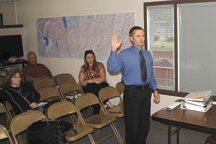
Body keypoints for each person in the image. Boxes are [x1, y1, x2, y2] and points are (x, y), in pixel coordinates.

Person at [107, 26, 160, 144]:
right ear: (131, 38)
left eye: (143, 35)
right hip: (132, 92)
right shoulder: (124, 54)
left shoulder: (147, 54)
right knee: (132, 125)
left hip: (146, 91)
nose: (142, 38)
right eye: (138, 36)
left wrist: (155, 89)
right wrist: (113, 50)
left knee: (144, 123)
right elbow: (112, 68)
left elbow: (150, 74)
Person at [79, 50, 114, 115]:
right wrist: (86, 82)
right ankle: (107, 102)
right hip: (89, 88)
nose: (90, 59)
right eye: (88, 58)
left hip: (100, 85)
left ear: (94, 57)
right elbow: (81, 82)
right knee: (94, 88)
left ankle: (96, 115)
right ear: (85, 58)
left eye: (91, 57)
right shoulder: (83, 68)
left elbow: (103, 78)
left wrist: (88, 80)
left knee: (103, 87)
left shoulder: (100, 65)